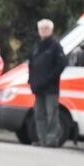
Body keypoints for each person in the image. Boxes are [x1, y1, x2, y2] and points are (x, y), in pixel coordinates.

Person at [28, 19, 66, 147]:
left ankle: (52, 139)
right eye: (41, 28)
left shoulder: (55, 46)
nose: (43, 31)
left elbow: (61, 64)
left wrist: (50, 78)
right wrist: (31, 81)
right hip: (38, 86)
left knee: (52, 114)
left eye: (46, 28)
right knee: (39, 114)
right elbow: (32, 64)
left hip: (50, 87)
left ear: (51, 30)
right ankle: (42, 138)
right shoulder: (37, 46)